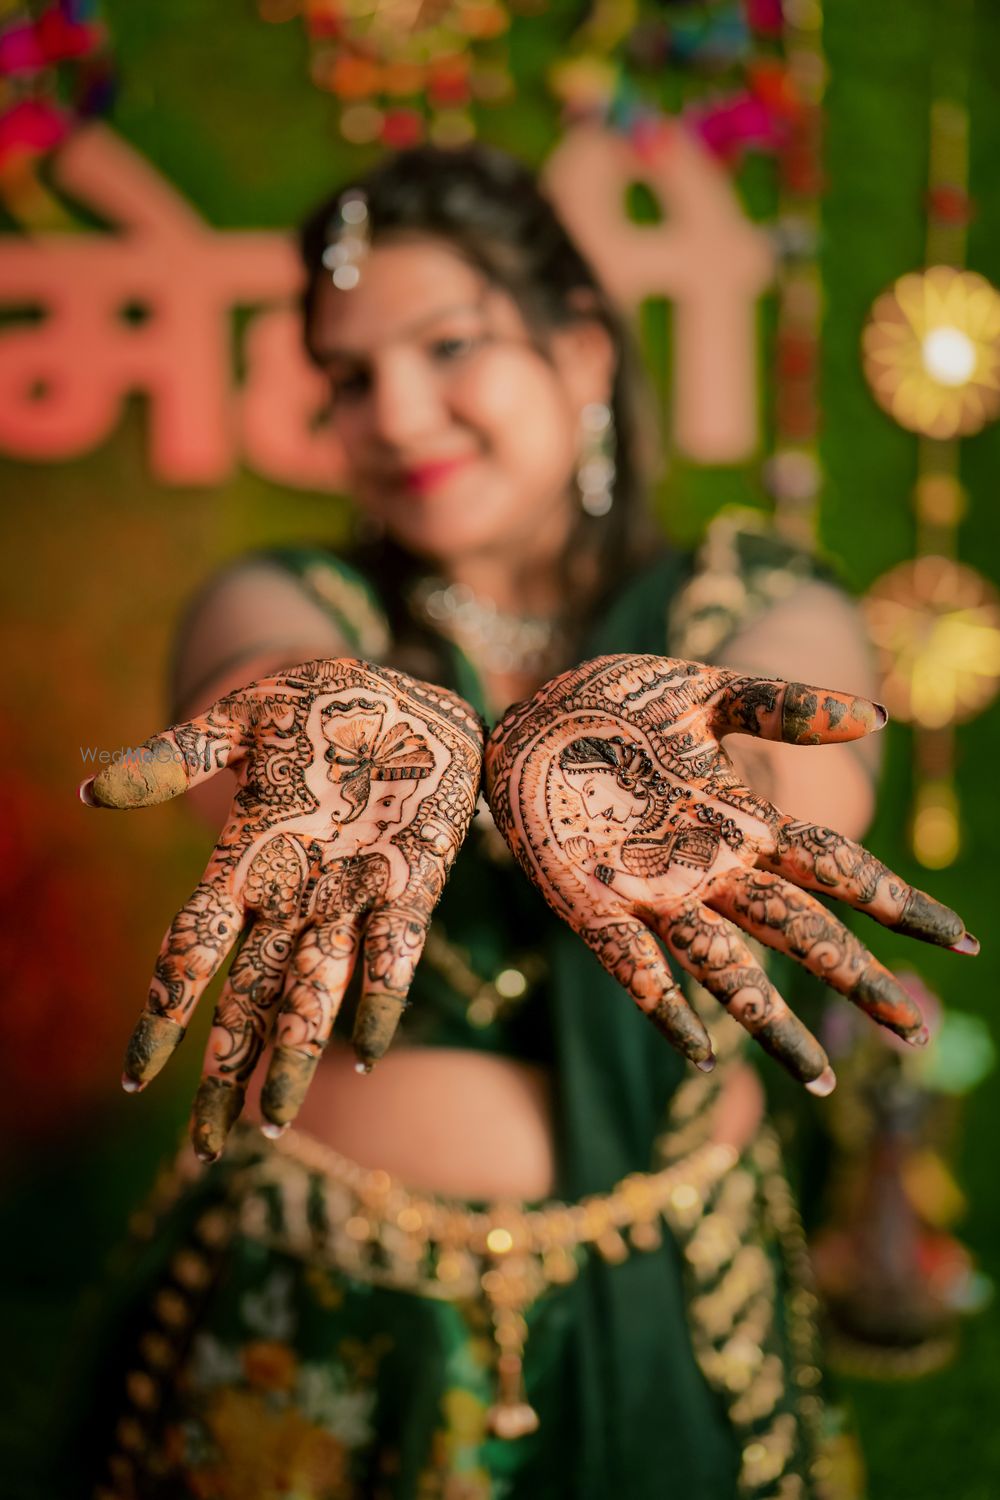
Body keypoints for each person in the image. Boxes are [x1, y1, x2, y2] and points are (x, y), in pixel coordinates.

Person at [75, 144, 974, 1500]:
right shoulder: (306, 602)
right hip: (322, 1324)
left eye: (450, 346)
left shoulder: (745, 602)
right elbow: (252, 693)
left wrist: (684, 800)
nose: (399, 411)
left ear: (583, 352)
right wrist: (349, 731)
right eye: (350, 377)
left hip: (670, 1306)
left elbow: (812, 757)